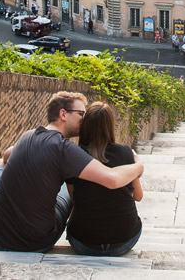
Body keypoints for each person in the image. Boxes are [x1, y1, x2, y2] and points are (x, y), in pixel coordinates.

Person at [0, 92, 144, 253]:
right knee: (68, 188)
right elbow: (113, 180)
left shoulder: (27, 135)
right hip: (37, 241)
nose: (84, 119)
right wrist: (138, 166)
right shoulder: (65, 149)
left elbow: (6, 156)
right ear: (63, 114)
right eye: (81, 114)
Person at [65, 102, 143, 256]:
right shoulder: (125, 153)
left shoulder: (74, 155)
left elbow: (75, 199)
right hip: (124, 240)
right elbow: (138, 196)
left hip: (84, 243)